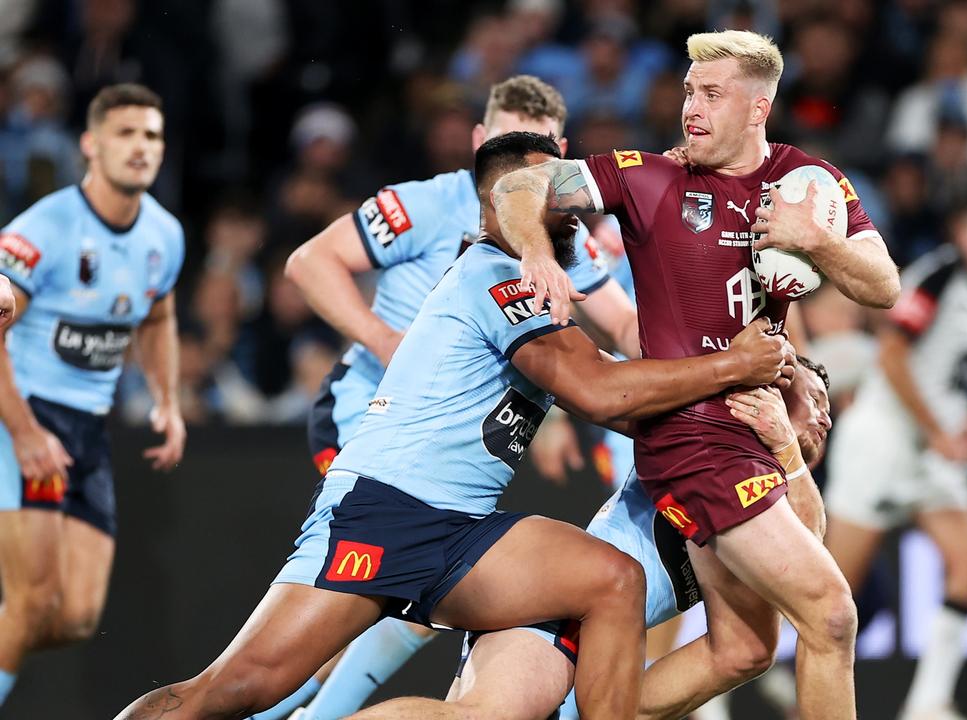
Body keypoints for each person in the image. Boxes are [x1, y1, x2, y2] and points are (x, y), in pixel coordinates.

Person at [115, 132, 790, 720]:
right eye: (549, 186)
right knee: (237, 689)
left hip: (458, 525)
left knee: (611, 580)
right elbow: (601, 393)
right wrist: (734, 367)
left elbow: (627, 376)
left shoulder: (534, 282)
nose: (572, 198)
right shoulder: (498, 275)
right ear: (507, 203)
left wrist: (742, 389)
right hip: (382, 511)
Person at [493, 29, 899, 718]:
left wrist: (818, 243)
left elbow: (884, 286)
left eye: (711, 93)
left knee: (743, 649)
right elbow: (519, 187)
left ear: (757, 108)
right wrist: (537, 255)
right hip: (692, 441)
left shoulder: (808, 185)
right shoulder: (649, 177)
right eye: (688, 91)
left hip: (752, 433)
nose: (691, 108)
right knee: (831, 617)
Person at [252, 74, 640, 720]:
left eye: (541, 149)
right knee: (346, 620)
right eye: (510, 144)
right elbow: (308, 263)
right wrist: (385, 341)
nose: (527, 177)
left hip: (447, 450)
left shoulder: (561, 239)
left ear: (563, 154)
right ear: (481, 142)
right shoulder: (430, 205)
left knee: (386, 613)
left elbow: (621, 327)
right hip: (374, 420)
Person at [346, 358, 834, 720]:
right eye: (816, 399)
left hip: (592, 638)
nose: (826, 419)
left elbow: (778, 600)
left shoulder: (765, 483)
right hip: (561, 613)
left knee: (750, 649)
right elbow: (593, 376)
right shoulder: (708, 433)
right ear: (771, 390)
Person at [0, 83, 184, 709]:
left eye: (152, 136)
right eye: (126, 133)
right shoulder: (45, 229)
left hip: (88, 430)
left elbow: (158, 318)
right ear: (91, 144)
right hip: (24, 418)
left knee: (75, 616)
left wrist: (167, 400)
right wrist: (25, 433)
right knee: (28, 602)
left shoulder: (164, 235)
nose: (141, 148)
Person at [822, 202, 967, 720]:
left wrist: (961, 422)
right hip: (883, 445)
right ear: (965, 232)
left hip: (930, 455)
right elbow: (890, 354)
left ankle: (927, 704)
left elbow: (949, 376)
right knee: (828, 599)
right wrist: (937, 430)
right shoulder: (939, 278)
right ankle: (737, 687)